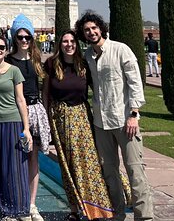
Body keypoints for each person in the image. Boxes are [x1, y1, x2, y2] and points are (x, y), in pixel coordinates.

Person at [75, 11, 153, 221]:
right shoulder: (88, 56)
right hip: (101, 122)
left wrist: (134, 114)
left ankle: (144, 217)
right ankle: (117, 214)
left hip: (125, 120)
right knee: (109, 172)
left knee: (135, 172)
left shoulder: (120, 49)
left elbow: (135, 84)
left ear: (101, 28)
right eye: (86, 30)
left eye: (94, 28)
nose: (91, 32)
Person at [42, 30, 116, 220]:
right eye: (65, 41)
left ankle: (98, 206)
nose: (69, 44)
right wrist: (46, 121)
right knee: (67, 165)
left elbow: (100, 88)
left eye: (72, 41)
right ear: (60, 44)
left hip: (80, 118)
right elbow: (46, 93)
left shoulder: (84, 65)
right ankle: (74, 209)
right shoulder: (51, 64)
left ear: (76, 44)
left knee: (88, 161)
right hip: (58, 118)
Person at [0, 34, 32, 221]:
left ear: (6, 49)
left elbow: (21, 99)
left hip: (12, 122)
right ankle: (6, 209)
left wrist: (26, 128)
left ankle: (22, 209)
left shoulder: (14, 71)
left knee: (16, 167)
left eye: (1, 47)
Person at [6, 14, 50, 221]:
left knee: (33, 159)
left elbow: (46, 88)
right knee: (16, 159)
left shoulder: (37, 60)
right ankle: (17, 203)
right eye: (20, 36)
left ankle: (31, 205)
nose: (24, 40)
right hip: (15, 113)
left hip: (35, 111)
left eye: (27, 37)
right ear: (14, 37)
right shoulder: (7, 60)